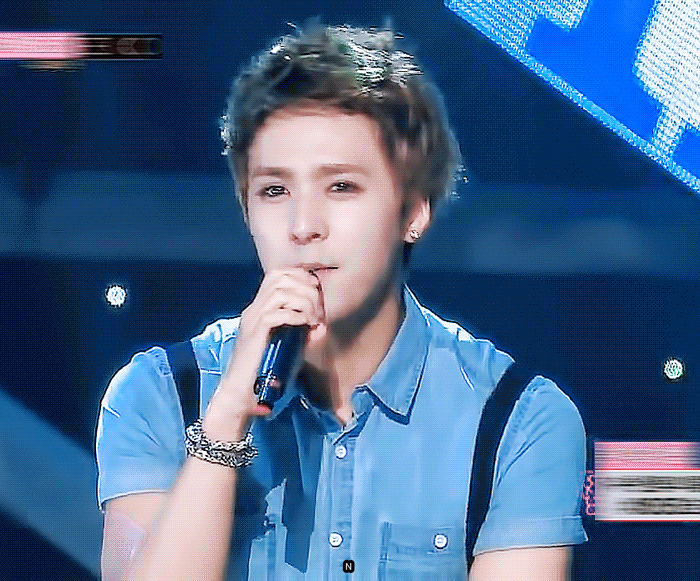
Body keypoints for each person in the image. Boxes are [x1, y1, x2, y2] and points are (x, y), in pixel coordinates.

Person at [96, 23, 588, 581]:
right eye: (275, 190)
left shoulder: (519, 419)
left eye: (341, 187)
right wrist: (226, 417)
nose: (303, 226)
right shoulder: (159, 393)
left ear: (414, 210)